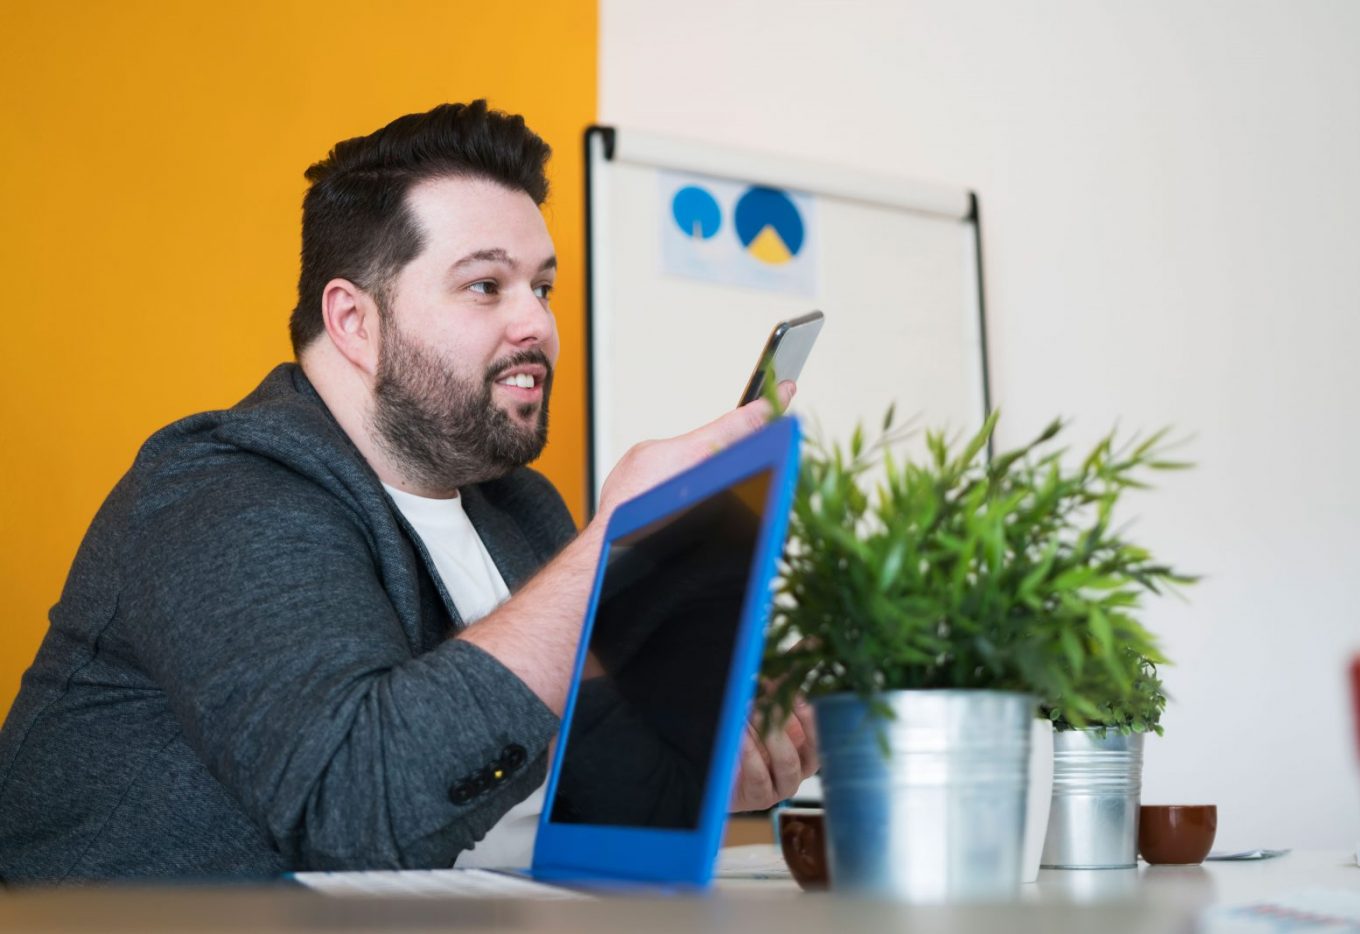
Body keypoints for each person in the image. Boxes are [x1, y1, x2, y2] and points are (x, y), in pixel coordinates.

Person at [0, 101, 817, 884]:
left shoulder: (522, 511)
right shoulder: (220, 484)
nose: (536, 324)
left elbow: (514, 799)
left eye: (543, 287)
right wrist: (619, 545)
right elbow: (356, 810)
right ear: (355, 322)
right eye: (485, 286)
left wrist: (696, 771)